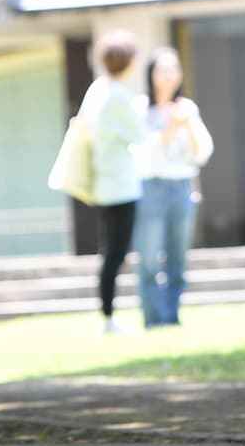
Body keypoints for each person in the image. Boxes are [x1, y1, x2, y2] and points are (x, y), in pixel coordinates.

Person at [134, 45, 214, 328]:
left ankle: (171, 316)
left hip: (181, 187)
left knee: (177, 257)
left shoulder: (188, 108)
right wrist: (170, 127)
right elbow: (146, 154)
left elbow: (202, 151)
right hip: (151, 188)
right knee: (149, 257)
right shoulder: (141, 109)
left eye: (173, 69)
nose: (169, 75)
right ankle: (153, 318)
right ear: (151, 74)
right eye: (163, 69)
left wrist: (186, 123)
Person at [77, 31, 146, 333]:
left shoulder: (97, 91)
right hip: (120, 186)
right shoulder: (118, 96)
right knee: (115, 254)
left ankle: (108, 315)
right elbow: (138, 135)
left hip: (103, 184)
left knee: (110, 252)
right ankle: (108, 317)